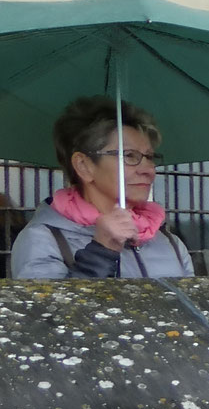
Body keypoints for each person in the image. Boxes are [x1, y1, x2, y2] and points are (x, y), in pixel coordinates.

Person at [12, 96, 193, 279]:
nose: (149, 170)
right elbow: (47, 308)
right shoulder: (44, 240)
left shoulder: (170, 243)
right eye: (130, 155)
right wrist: (101, 251)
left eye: (150, 157)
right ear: (84, 166)